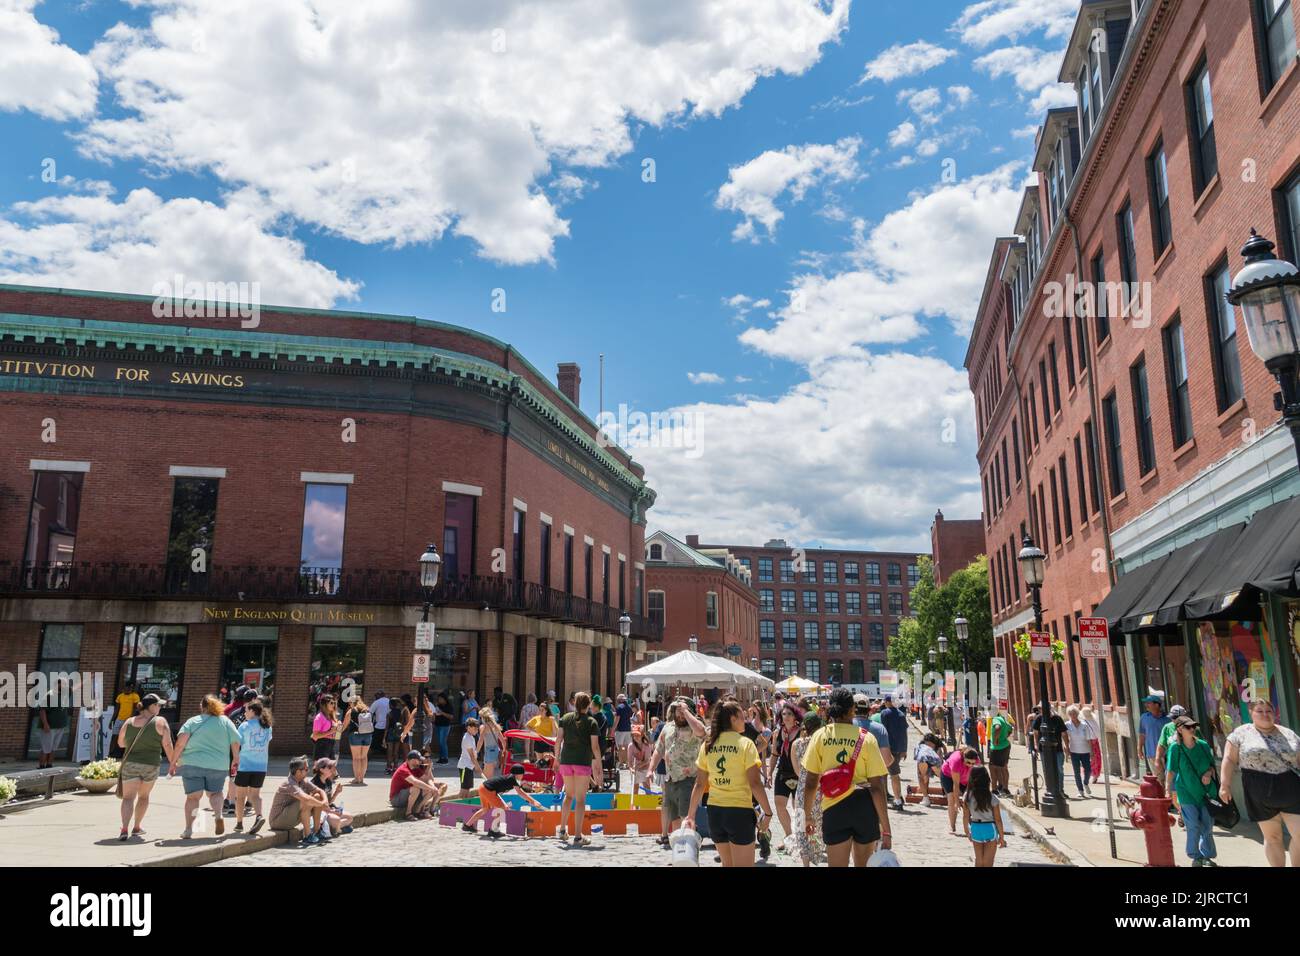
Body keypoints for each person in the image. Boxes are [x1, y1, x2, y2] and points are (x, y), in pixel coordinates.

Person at [801, 688, 891, 867]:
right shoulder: (867, 739)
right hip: (864, 807)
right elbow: (877, 787)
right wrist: (886, 829)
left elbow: (811, 782)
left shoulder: (820, 736)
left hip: (834, 808)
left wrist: (808, 815)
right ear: (852, 710)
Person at [683, 700, 773, 868]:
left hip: (715, 813)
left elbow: (700, 784)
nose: (745, 719)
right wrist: (767, 813)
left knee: (727, 864)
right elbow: (755, 783)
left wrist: (691, 815)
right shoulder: (746, 744)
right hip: (739, 812)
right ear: (732, 719)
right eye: (741, 716)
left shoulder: (708, 745)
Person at [1220, 698, 1300, 867]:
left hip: (1290, 787)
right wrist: (1225, 785)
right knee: (1273, 838)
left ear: (1275, 713)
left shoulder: (1288, 733)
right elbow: (1229, 759)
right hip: (1258, 789)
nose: (1265, 714)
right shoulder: (1241, 733)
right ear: (1251, 713)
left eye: (1268, 711)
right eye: (1259, 711)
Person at [171, 694, 241, 839]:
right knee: (215, 793)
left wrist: (173, 761)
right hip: (218, 764)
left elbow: (180, 743)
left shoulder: (193, 721)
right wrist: (235, 758)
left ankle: (189, 829)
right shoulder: (225, 722)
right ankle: (218, 815)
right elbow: (235, 741)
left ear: (202, 706)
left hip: (192, 763)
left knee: (193, 798)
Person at [115, 693, 176, 841]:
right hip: (151, 764)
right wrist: (173, 763)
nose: (160, 707)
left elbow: (121, 743)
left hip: (130, 764)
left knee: (128, 798)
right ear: (152, 706)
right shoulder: (160, 722)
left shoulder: (129, 722)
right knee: (143, 796)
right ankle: (137, 827)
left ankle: (124, 828)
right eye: (158, 705)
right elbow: (167, 744)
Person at [650, 699, 705, 845]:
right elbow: (658, 749)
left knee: (686, 818)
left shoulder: (694, 726)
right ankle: (678, 850)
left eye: (682, 713)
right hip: (670, 779)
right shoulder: (667, 727)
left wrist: (686, 712)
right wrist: (651, 768)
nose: (680, 715)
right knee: (673, 818)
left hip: (688, 779)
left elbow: (702, 731)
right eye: (677, 712)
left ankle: (689, 849)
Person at [1164, 715, 1218, 867]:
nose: (1192, 729)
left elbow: (1212, 767)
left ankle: (1207, 856)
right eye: (1188, 727)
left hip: (1206, 792)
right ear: (1180, 729)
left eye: (1194, 726)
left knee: (1207, 825)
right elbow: (1171, 770)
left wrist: (1208, 773)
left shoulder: (1203, 745)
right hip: (1186, 792)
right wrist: (1167, 789)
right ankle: (1195, 856)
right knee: (1193, 824)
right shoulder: (1175, 748)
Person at [553, 692, 601, 845]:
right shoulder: (592, 722)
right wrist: (599, 764)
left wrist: (556, 758)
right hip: (582, 762)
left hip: (566, 761)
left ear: (574, 703)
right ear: (588, 705)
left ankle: (562, 830)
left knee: (568, 796)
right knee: (580, 800)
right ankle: (578, 836)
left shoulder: (565, 719)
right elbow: (595, 747)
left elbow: (558, 740)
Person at [463, 763, 543, 836]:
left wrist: (530, 800)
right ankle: (493, 830)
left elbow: (504, 790)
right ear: (518, 774)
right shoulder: (512, 779)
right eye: (522, 774)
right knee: (501, 809)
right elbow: (520, 793)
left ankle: (467, 825)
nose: (523, 776)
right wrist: (533, 801)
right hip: (488, 790)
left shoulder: (509, 778)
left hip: (482, 788)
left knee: (485, 808)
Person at [268, 756, 330, 845]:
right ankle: (308, 836)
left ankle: (317, 832)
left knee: (316, 796)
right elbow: (306, 799)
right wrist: (321, 804)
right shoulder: (289, 783)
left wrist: (325, 801)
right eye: (306, 769)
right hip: (277, 821)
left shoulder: (303, 780)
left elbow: (320, 791)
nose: (308, 771)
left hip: (290, 818)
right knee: (306, 800)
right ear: (298, 772)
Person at [791, 713, 826, 866]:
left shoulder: (796, 744)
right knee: (817, 828)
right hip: (819, 791)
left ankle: (806, 864)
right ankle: (817, 857)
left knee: (801, 830)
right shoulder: (822, 743)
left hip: (801, 791)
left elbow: (797, 771)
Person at [233, 700, 272, 834]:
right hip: (261, 766)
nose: (245, 712)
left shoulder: (244, 726)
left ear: (252, 711)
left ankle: (239, 823)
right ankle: (259, 816)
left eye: (246, 710)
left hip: (245, 765)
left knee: (240, 796)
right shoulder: (268, 727)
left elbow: (237, 744)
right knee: (255, 795)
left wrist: (234, 759)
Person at [767, 702, 803, 839]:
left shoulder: (801, 733)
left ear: (795, 717)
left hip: (798, 774)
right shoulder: (777, 733)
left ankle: (800, 838)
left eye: (789, 714)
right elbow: (775, 754)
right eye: (783, 714)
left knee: (798, 808)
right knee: (779, 804)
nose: (786, 716)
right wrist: (769, 773)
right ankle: (788, 836)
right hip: (782, 773)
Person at [962, 765, 1006, 867]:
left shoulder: (967, 796)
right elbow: (998, 819)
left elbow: (965, 816)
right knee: (988, 861)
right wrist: (1002, 837)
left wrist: (967, 832)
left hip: (976, 827)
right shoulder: (992, 798)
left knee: (979, 860)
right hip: (989, 828)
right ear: (987, 779)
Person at [940, 746, 982, 835]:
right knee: (951, 799)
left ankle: (973, 825)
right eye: (968, 762)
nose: (970, 765)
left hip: (966, 779)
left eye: (972, 763)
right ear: (963, 758)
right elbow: (956, 784)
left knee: (970, 799)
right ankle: (952, 826)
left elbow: (974, 781)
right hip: (948, 776)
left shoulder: (977, 762)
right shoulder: (956, 761)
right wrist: (957, 802)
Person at [390, 750, 443, 819]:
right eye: (419, 760)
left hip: (408, 795)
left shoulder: (415, 768)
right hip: (396, 799)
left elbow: (427, 779)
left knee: (428, 789)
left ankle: (419, 811)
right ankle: (408, 813)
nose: (421, 762)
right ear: (413, 760)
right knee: (416, 788)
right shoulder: (403, 769)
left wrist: (432, 787)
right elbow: (415, 782)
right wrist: (431, 788)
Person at [878, 696, 909, 810]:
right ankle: (895, 796)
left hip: (887, 747)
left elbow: (883, 731)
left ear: (887, 702)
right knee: (892, 773)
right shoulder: (901, 714)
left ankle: (897, 800)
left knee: (890, 774)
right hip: (898, 748)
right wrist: (904, 749)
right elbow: (904, 732)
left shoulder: (885, 713)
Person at [310, 757, 354, 835]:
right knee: (336, 819)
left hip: (328, 808)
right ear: (321, 770)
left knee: (350, 817)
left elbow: (329, 801)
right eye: (329, 767)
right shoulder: (314, 783)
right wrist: (332, 811)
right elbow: (317, 805)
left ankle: (335, 828)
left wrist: (337, 792)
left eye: (332, 767)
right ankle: (338, 829)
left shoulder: (328, 781)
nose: (332, 769)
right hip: (319, 812)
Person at [1063, 705, 1097, 798]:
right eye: (1070, 714)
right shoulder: (1067, 725)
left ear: (1077, 714)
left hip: (1085, 751)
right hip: (1074, 751)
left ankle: (1086, 783)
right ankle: (1080, 790)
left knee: (1088, 770)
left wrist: (1091, 752)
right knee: (1076, 772)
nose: (1072, 715)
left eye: (1074, 713)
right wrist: (1066, 747)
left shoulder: (1084, 725)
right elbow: (1065, 736)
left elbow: (1089, 739)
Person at [1153, 704, 1188, 779]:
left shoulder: (1192, 727)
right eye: (1173, 718)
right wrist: (1157, 760)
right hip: (1173, 765)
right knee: (1172, 788)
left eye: (1176, 718)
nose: (1174, 720)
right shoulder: (1167, 728)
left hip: (1188, 765)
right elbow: (1161, 745)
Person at [36, 691, 69, 768]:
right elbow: (42, 710)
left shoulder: (64, 694)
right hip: (50, 727)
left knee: (54, 747)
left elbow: (75, 687)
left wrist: (88, 679)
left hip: (60, 726)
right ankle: (41, 766)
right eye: (64, 684)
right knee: (46, 747)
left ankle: (49, 765)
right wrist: (45, 724)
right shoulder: (50, 695)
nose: (66, 686)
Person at [1138, 695, 1170, 773]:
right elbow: (1142, 734)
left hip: (1168, 754)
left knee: (1170, 780)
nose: (1146, 705)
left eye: (1149, 703)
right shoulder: (1144, 718)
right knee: (1159, 780)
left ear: (1156, 705)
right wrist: (1139, 749)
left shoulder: (1168, 719)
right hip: (1152, 754)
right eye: (1146, 703)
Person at [345, 697, 373, 784]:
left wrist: (337, 733)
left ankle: (357, 778)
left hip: (355, 735)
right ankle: (362, 778)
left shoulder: (351, 711)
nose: (349, 705)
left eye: (349, 703)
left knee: (356, 758)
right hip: (367, 735)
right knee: (364, 757)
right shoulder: (367, 710)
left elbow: (344, 725)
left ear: (352, 702)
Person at [987, 709, 1013, 796]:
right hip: (1006, 746)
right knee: (1004, 768)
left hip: (997, 748)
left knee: (993, 768)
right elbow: (1011, 728)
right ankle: (1005, 788)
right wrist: (1005, 736)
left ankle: (994, 789)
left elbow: (998, 727)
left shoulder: (996, 719)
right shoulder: (1003, 719)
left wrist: (995, 740)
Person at [914, 733, 944, 807]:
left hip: (924, 759)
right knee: (942, 777)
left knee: (921, 777)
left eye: (930, 744)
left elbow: (917, 757)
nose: (929, 746)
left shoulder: (921, 746)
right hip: (934, 760)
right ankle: (947, 794)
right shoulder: (937, 746)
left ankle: (926, 798)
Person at [111, 680, 140, 757]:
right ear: (124, 688)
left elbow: (135, 709)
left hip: (128, 720)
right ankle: (113, 752)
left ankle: (124, 753)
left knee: (126, 736)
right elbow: (117, 709)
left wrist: (130, 720)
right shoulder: (120, 696)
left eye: (130, 688)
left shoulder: (135, 696)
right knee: (115, 735)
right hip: (119, 719)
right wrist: (112, 720)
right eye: (127, 687)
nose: (128, 689)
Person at [310, 694, 343, 761]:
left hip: (332, 745)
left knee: (332, 770)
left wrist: (339, 728)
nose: (333, 705)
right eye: (331, 703)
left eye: (334, 703)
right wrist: (331, 731)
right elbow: (315, 736)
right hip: (322, 746)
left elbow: (337, 736)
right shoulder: (319, 717)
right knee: (322, 770)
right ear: (325, 704)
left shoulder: (332, 717)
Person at [457, 717, 483, 799]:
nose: (476, 730)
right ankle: (456, 806)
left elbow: (474, 753)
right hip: (465, 766)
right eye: (474, 728)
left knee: (467, 789)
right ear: (468, 727)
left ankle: (466, 806)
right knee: (463, 789)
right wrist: (478, 767)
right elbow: (471, 756)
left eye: (477, 728)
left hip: (469, 766)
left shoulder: (471, 737)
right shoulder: (467, 738)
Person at [385, 695, 411, 773]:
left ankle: (389, 767)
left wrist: (384, 737)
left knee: (390, 751)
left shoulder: (389, 714)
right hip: (398, 732)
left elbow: (386, 727)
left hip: (390, 733)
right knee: (396, 751)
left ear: (390, 705)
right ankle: (396, 767)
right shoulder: (401, 711)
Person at [478, 708, 506, 780]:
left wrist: (476, 751)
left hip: (488, 750)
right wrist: (504, 750)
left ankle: (488, 789)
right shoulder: (496, 726)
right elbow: (503, 741)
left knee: (487, 775)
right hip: (496, 750)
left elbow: (480, 741)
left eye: (480, 717)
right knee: (490, 772)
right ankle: (488, 788)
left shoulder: (483, 727)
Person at [627, 727, 654, 796]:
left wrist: (638, 766)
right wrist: (631, 769)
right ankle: (635, 805)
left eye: (637, 735)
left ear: (642, 735)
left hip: (645, 769)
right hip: (635, 770)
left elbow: (647, 760)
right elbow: (629, 761)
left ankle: (648, 804)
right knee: (635, 789)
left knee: (647, 787)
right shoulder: (631, 746)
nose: (635, 737)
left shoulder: (646, 745)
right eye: (634, 735)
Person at [1081, 705, 1104, 785]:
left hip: (1087, 743)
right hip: (1095, 742)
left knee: (1088, 760)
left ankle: (1089, 775)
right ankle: (1095, 775)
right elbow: (1098, 732)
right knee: (1096, 759)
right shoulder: (1094, 721)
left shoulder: (1084, 722)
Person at [433, 692, 455, 763]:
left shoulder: (449, 706)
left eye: (440, 699)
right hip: (437, 725)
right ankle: (441, 757)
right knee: (439, 742)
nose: (439, 700)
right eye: (438, 699)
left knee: (443, 742)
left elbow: (451, 716)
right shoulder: (438, 706)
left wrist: (442, 713)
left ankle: (445, 758)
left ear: (444, 699)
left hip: (445, 726)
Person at [614, 693, 634, 767]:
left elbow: (617, 719)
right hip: (628, 729)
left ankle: (621, 763)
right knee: (626, 747)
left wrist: (613, 729)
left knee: (620, 747)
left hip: (620, 730)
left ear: (619, 700)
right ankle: (627, 763)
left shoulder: (619, 707)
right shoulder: (629, 707)